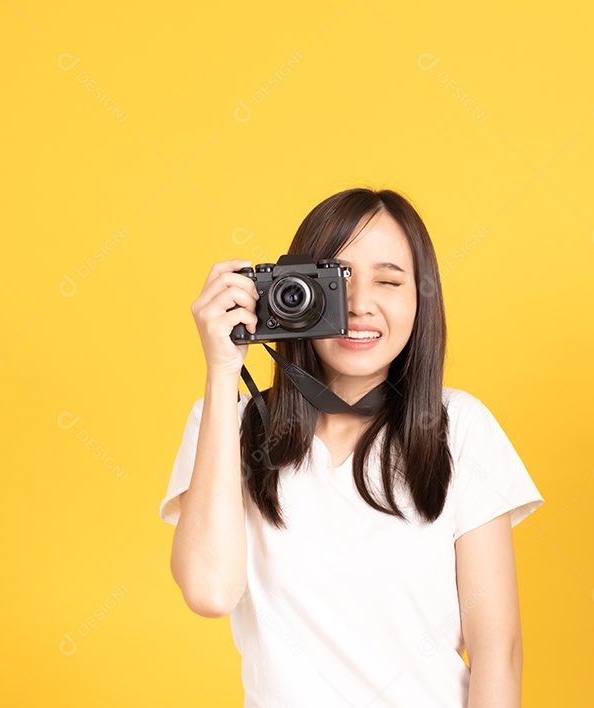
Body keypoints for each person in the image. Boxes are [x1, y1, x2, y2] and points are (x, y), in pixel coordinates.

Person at [159, 187, 544, 707]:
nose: (361, 305)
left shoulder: (460, 427)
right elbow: (209, 592)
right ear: (290, 289)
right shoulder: (228, 420)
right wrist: (224, 370)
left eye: (388, 280)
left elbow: (498, 652)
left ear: (420, 298)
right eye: (335, 282)